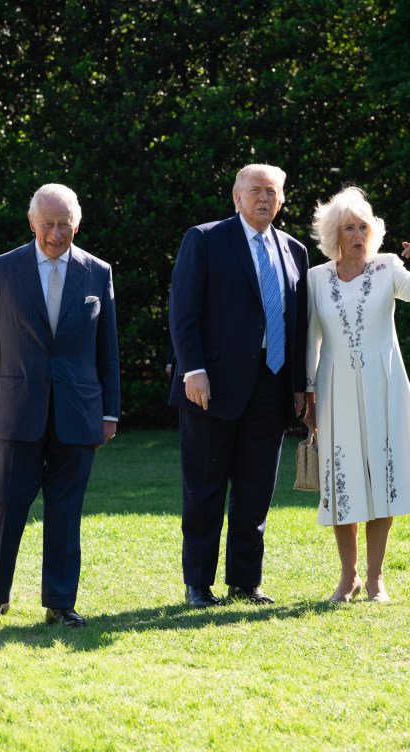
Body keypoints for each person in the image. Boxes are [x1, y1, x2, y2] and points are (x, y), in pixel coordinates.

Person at [0, 183, 120, 629]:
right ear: (32, 222)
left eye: (64, 225)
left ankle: (60, 603)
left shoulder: (98, 272)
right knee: (5, 509)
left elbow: (107, 348)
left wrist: (109, 412)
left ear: (78, 224)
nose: (56, 234)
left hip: (79, 412)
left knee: (65, 511)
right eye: (48, 224)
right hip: (17, 410)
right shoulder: (2, 269)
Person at [169, 164, 309, 607]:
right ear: (236, 197)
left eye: (272, 192)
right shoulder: (206, 239)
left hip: (272, 384)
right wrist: (192, 370)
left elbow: (299, 323)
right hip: (210, 387)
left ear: (282, 200)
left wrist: (300, 384)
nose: (264, 199)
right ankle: (198, 583)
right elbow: (183, 310)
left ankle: (246, 582)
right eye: (255, 191)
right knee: (206, 487)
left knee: (255, 490)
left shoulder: (295, 251)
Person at [302, 186, 410, 603]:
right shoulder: (316, 279)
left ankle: (376, 579)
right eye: (349, 228)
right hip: (334, 387)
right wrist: (307, 395)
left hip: (384, 386)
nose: (359, 234)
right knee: (342, 485)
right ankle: (348, 577)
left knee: (380, 479)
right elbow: (311, 342)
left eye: (364, 226)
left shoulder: (387, 266)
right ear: (333, 235)